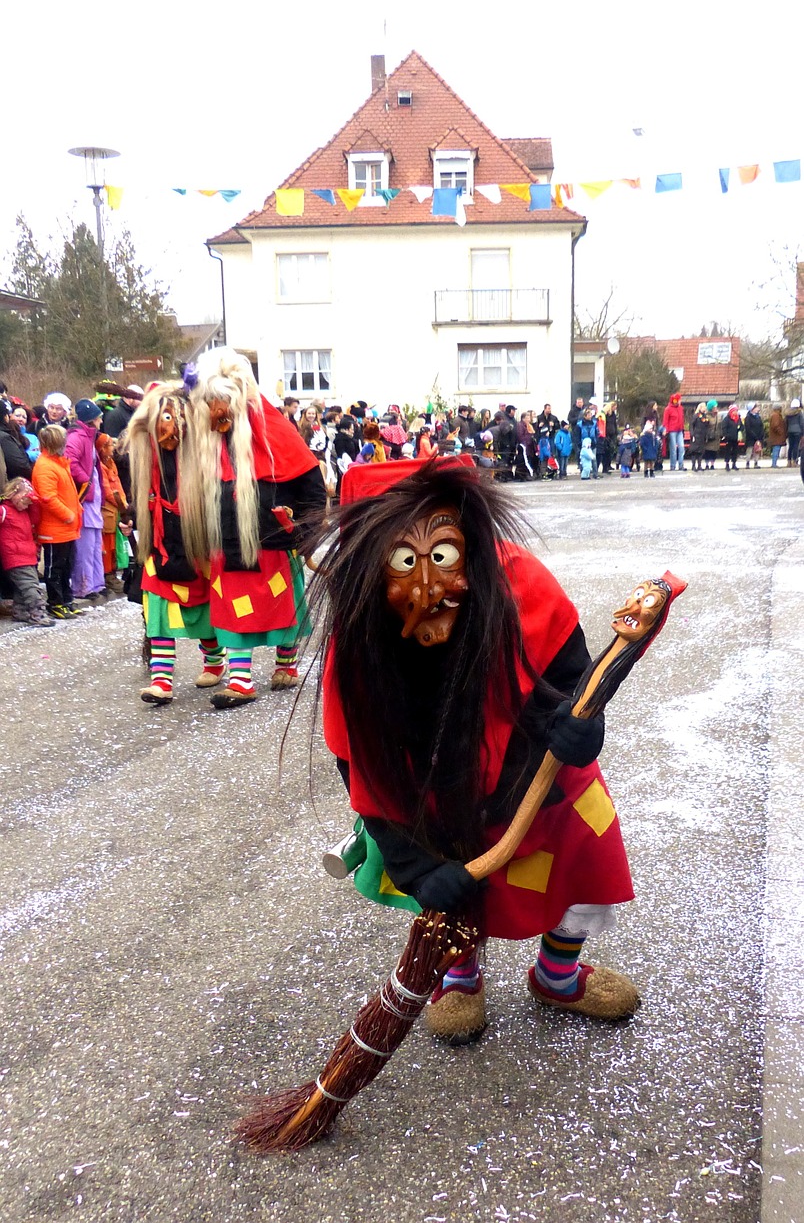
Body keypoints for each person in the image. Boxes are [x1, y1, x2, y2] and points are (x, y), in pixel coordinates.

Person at [314, 458, 640, 1045]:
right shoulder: (359, 636)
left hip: (537, 771)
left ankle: (557, 973)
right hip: (433, 795)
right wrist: (417, 868)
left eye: (441, 557)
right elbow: (358, 764)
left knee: (580, 852)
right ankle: (458, 974)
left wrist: (575, 727)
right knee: (453, 885)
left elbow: (572, 682)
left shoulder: (523, 584)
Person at [187, 348, 327, 703]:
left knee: (280, 600)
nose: (217, 412)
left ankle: (286, 661)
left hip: (270, 538)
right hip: (226, 541)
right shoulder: (208, 439)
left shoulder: (272, 426)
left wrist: (304, 532)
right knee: (232, 605)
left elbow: (308, 479)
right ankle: (241, 679)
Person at [125, 384, 228, 705]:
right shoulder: (147, 455)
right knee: (158, 615)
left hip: (198, 547)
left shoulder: (204, 452)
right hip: (160, 546)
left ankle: (214, 659)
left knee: (203, 611)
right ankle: (162, 681)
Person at [31, 425, 82, 619]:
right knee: (55, 568)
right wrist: (68, 514)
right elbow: (48, 498)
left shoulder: (57, 463)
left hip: (66, 527)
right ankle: (55, 602)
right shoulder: (45, 466)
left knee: (66, 565)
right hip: (55, 527)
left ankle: (66, 600)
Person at [64, 398, 107, 603]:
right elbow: (70, 461)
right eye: (99, 417)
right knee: (85, 544)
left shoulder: (88, 437)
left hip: (94, 498)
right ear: (92, 419)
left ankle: (95, 583)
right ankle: (83, 586)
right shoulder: (77, 437)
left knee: (95, 543)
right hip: (85, 498)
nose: (101, 421)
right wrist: (86, 482)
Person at [0, 477, 54, 626]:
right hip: (14, 557)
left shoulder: (25, 513)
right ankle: (38, 613)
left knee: (21, 587)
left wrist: (35, 501)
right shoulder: (4, 510)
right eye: (24, 501)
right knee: (30, 586)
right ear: (13, 495)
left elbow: (36, 518)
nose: (26, 505)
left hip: (28, 555)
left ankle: (20, 611)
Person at [95, 433, 131, 593]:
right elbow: (107, 490)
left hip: (116, 509)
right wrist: (120, 502)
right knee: (108, 545)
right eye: (110, 445)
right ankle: (108, 575)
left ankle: (113, 573)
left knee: (116, 545)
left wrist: (124, 503)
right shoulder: (101, 467)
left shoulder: (111, 463)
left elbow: (118, 485)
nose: (113, 448)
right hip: (108, 510)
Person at [0, 399, 34, 481]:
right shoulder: (4, 438)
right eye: (17, 416)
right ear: (6, 417)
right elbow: (18, 465)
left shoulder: (32, 437)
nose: (20, 419)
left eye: (24, 417)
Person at [662, 392, 686, 471]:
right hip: (672, 431)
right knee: (673, 449)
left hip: (679, 430)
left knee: (681, 447)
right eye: (679, 400)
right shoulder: (668, 409)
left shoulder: (680, 408)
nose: (680, 401)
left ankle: (681, 464)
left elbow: (682, 419)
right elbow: (665, 421)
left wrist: (683, 429)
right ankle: (673, 465)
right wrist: (666, 430)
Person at [687, 403, 710, 472]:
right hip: (696, 435)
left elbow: (706, 425)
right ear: (700, 408)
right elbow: (691, 425)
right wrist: (692, 434)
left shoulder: (705, 416)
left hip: (702, 436)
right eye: (704, 407)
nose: (705, 408)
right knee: (694, 451)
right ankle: (693, 466)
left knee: (701, 451)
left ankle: (699, 465)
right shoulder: (696, 416)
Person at [721, 404, 743, 471]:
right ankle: (727, 464)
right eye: (734, 411)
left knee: (735, 451)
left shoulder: (738, 418)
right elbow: (724, 428)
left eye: (736, 411)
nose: (735, 412)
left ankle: (734, 464)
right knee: (728, 451)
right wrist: (726, 435)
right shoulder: (727, 419)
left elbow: (742, 426)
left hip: (736, 438)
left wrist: (740, 429)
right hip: (729, 438)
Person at [743, 404, 764, 468]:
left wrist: (760, 435)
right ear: (752, 409)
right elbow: (748, 428)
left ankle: (756, 463)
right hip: (750, 437)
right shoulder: (748, 417)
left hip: (758, 437)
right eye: (756, 408)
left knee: (757, 450)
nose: (757, 409)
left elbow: (761, 426)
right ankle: (747, 463)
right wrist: (754, 436)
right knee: (749, 450)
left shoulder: (758, 417)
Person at [784, 399, 802, 466]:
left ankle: (789, 461)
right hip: (797, 431)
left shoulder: (788, 413)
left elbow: (786, 422)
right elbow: (802, 423)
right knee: (796, 446)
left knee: (790, 446)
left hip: (789, 431)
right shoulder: (799, 413)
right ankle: (794, 461)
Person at [703, 399, 719, 470]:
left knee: (714, 451)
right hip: (708, 436)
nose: (716, 408)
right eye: (714, 407)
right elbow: (704, 426)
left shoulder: (717, 416)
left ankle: (712, 464)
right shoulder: (706, 416)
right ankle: (707, 464)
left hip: (716, 436)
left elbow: (719, 425)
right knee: (707, 451)